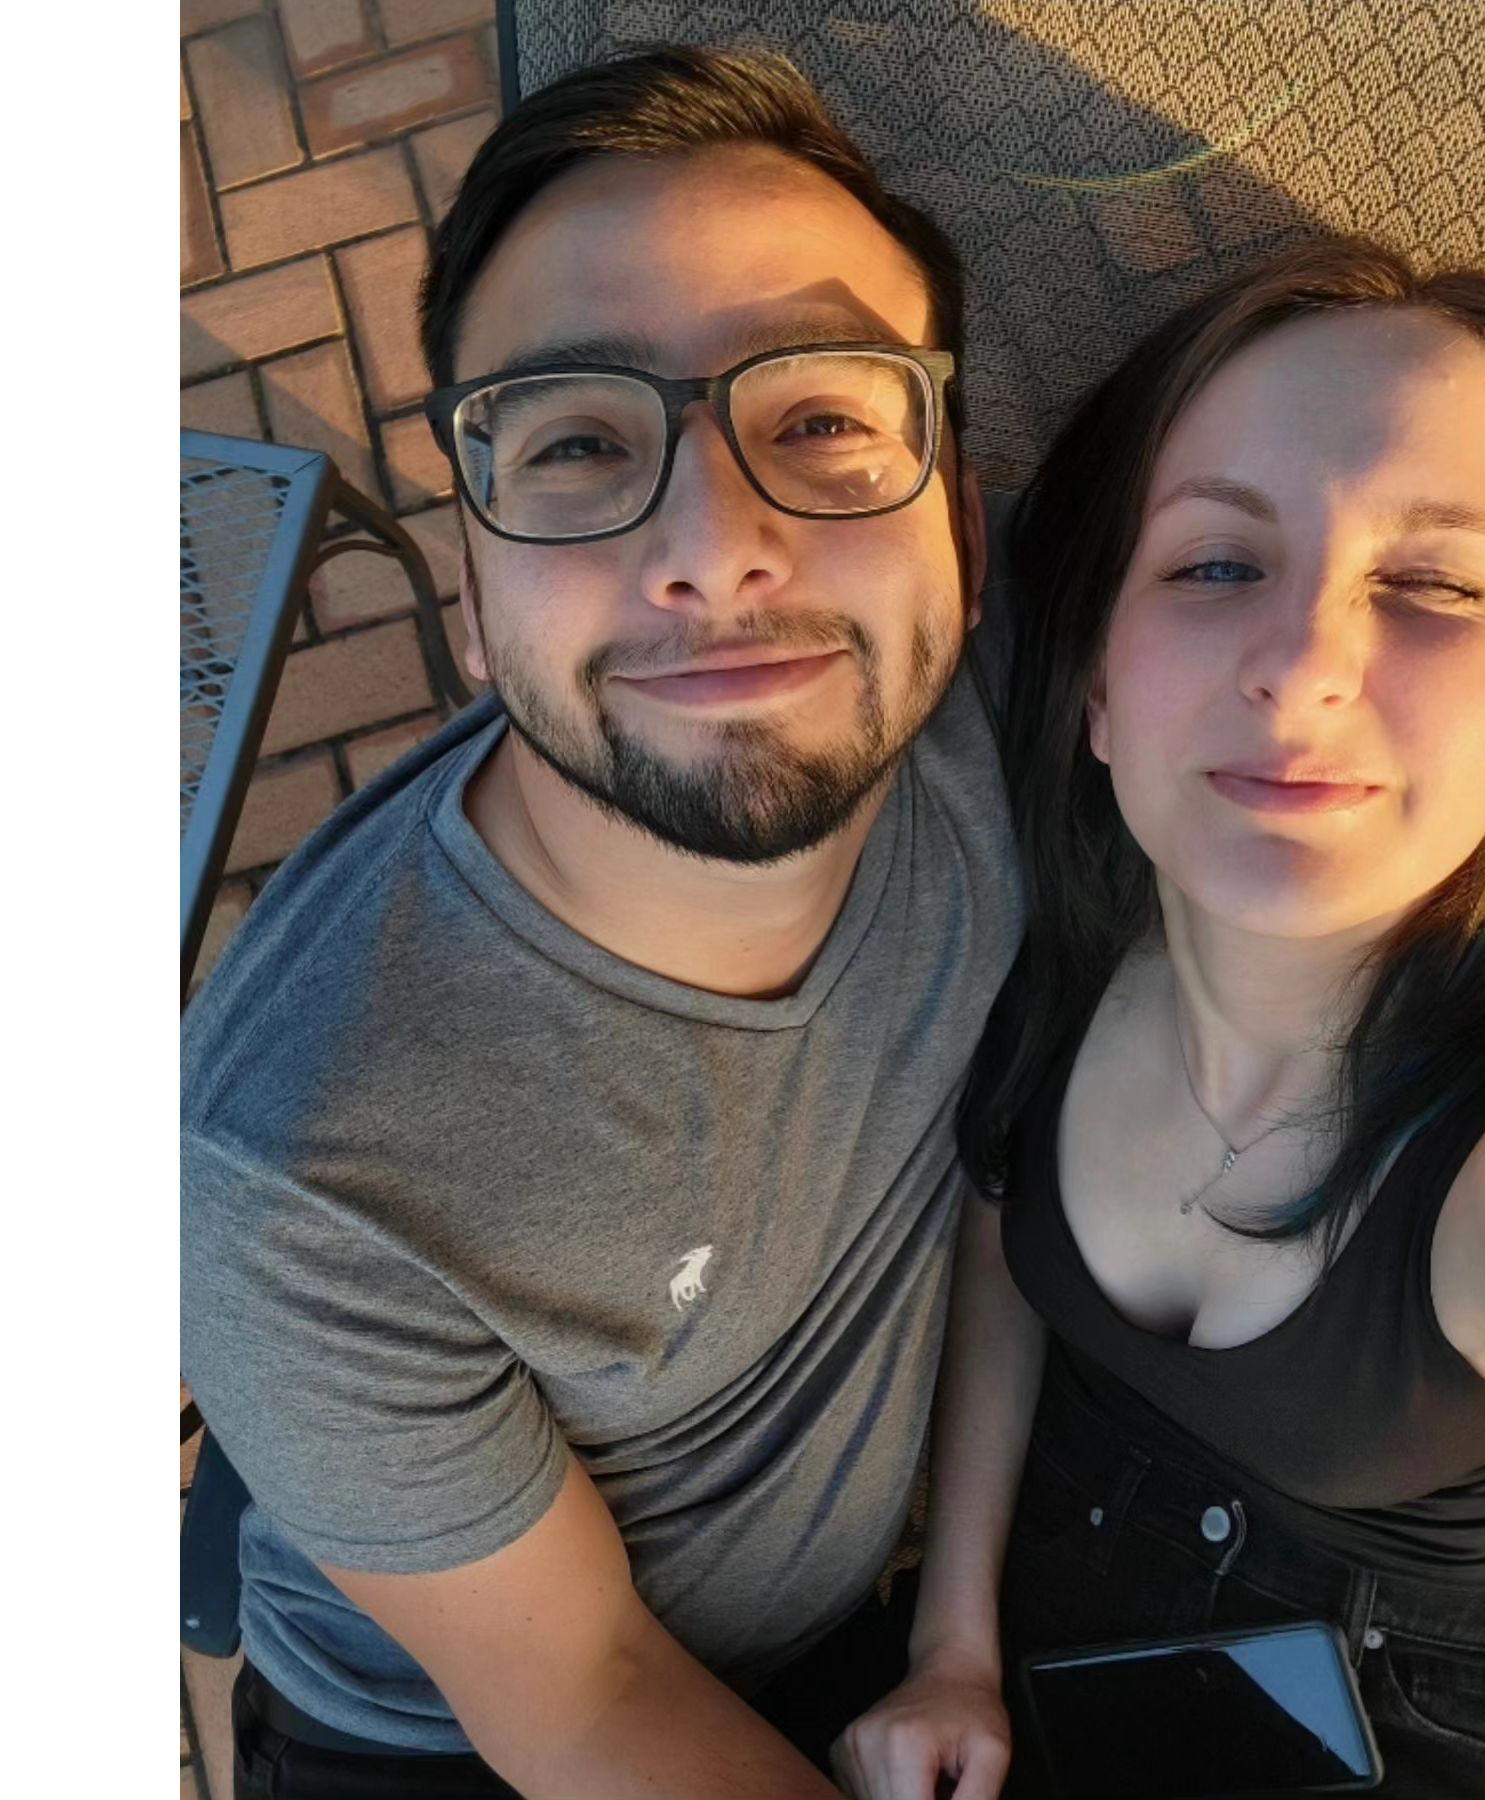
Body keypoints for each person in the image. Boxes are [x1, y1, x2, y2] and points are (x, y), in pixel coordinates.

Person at [180, 45, 1024, 1800]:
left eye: (820, 420)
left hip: (887, 1624)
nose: (716, 548)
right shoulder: (299, 1170)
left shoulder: (997, 719)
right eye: (576, 440)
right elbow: (582, 1695)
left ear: (958, 516)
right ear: (469, 597)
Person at [836, 237, 1485, 1800]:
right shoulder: (1056, 937)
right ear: (1098, 689)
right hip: (1051, 1663)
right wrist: (951, 1644)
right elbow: (1002, 1244)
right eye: (1213, 566)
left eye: (1433, 585)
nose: (1305, 665)